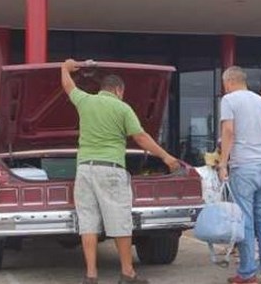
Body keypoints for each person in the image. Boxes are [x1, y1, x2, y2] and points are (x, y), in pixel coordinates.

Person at [61, 59, 181, 284]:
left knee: (88, 223)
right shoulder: (122, 108)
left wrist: (64, 68)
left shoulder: (86, 101)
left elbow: (68, 87)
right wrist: (166, 156)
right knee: (120, 222)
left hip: (85, 169)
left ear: (102, 89)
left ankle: (91, 275)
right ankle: (127, 273)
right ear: (118, 90)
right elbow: (141, 137)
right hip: (110, 170)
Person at [218, 66, 261, 284]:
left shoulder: (229, 100)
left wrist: (222, 163)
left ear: (228, 82)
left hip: (243, 167)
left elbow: (228, 131)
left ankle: (247, 273)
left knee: (244, 220)